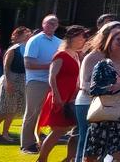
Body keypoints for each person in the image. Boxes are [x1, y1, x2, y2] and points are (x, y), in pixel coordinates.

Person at [85, 25, 120, 162]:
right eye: (118, 39)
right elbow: (94, 90)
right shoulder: (102, 65)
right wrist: (117, 86)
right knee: (93, 156)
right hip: (103, 116)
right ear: (109, 43)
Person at [36, 24, 88, 162]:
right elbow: (52, 76)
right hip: (59, 96)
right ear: (73, 37)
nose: (84, 39)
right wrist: (56, 97)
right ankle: (42, 158)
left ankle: (69, 158)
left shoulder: (76, 55)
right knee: (58, 130)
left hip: (71, 98)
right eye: (82, 36)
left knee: (73, 130)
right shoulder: (61, 55)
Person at [21, 14, 62, 153]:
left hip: (53, 82)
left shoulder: (59, 42)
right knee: (32, 113)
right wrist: (51, 66)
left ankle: (42, 139)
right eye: (49, 23)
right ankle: (26, 144)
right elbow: (28, 63)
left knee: (50, 113)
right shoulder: (35, 40)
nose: (52, 25)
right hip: (37, 81)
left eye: (54, 23)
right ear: (43, 24)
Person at [0, 26, 31, 142]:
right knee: (4, 109)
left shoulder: (27, 48)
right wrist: (8, 82)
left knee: (13, 109)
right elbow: (6, 67)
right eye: (25, 34)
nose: (28, 36)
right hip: (11, 79)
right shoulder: (13, 49)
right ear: (18, 36)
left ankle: (3, 132)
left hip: (22, 80)